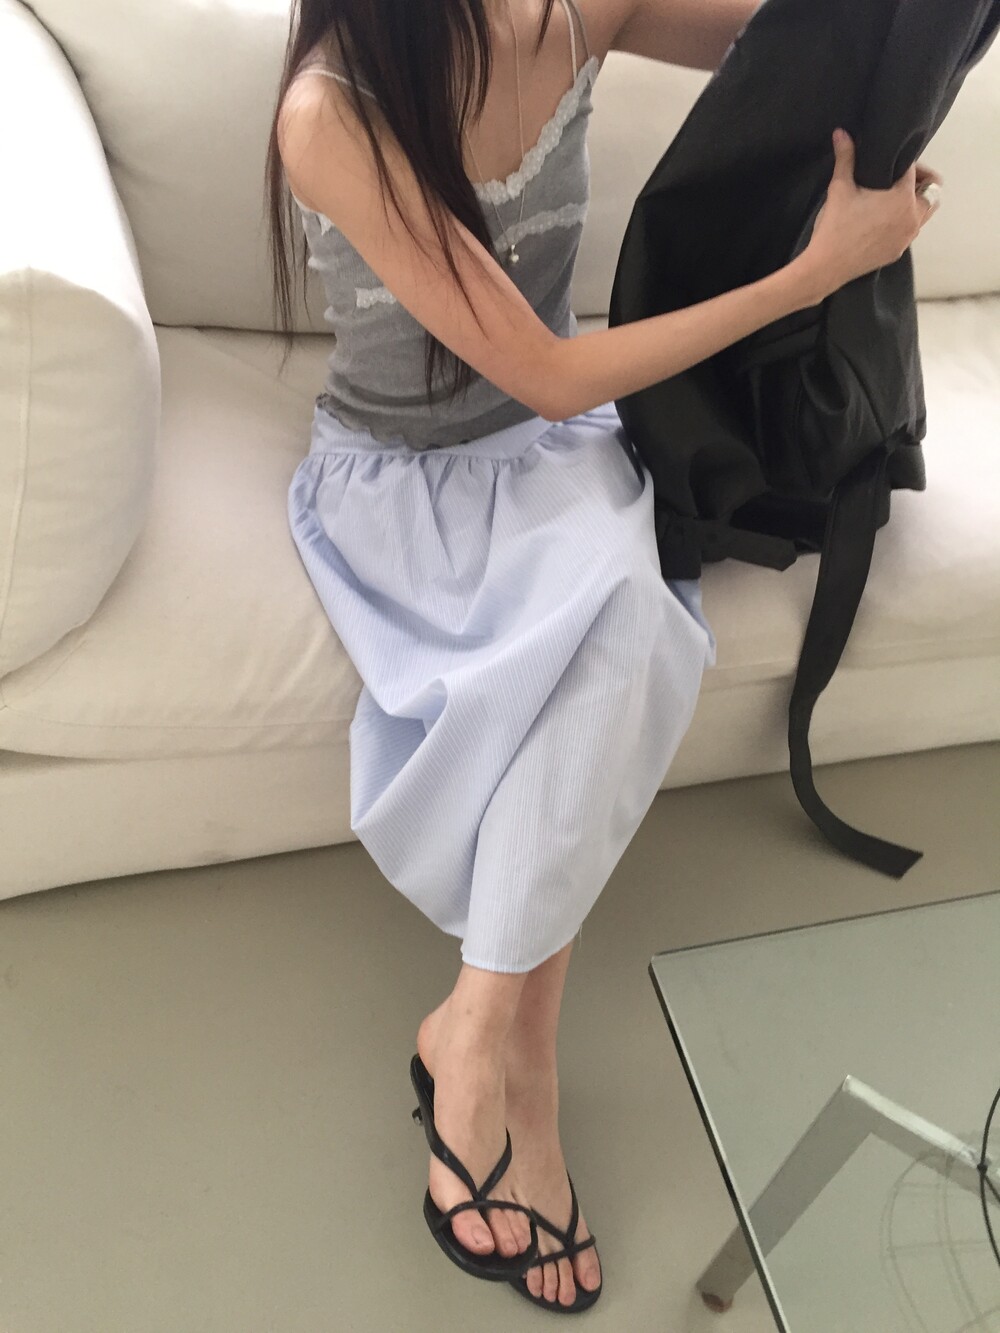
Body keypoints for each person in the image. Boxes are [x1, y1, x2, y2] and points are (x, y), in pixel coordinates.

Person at [265, 0, 941, 1313]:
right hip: (408, 482)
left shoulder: (582, 10)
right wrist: (807, 275)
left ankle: (486, 1035)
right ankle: (501, 1055)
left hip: (548, 456)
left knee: (635, 611)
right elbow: (550, 371)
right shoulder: (328, 113)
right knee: (604, 625)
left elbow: (806, 36)